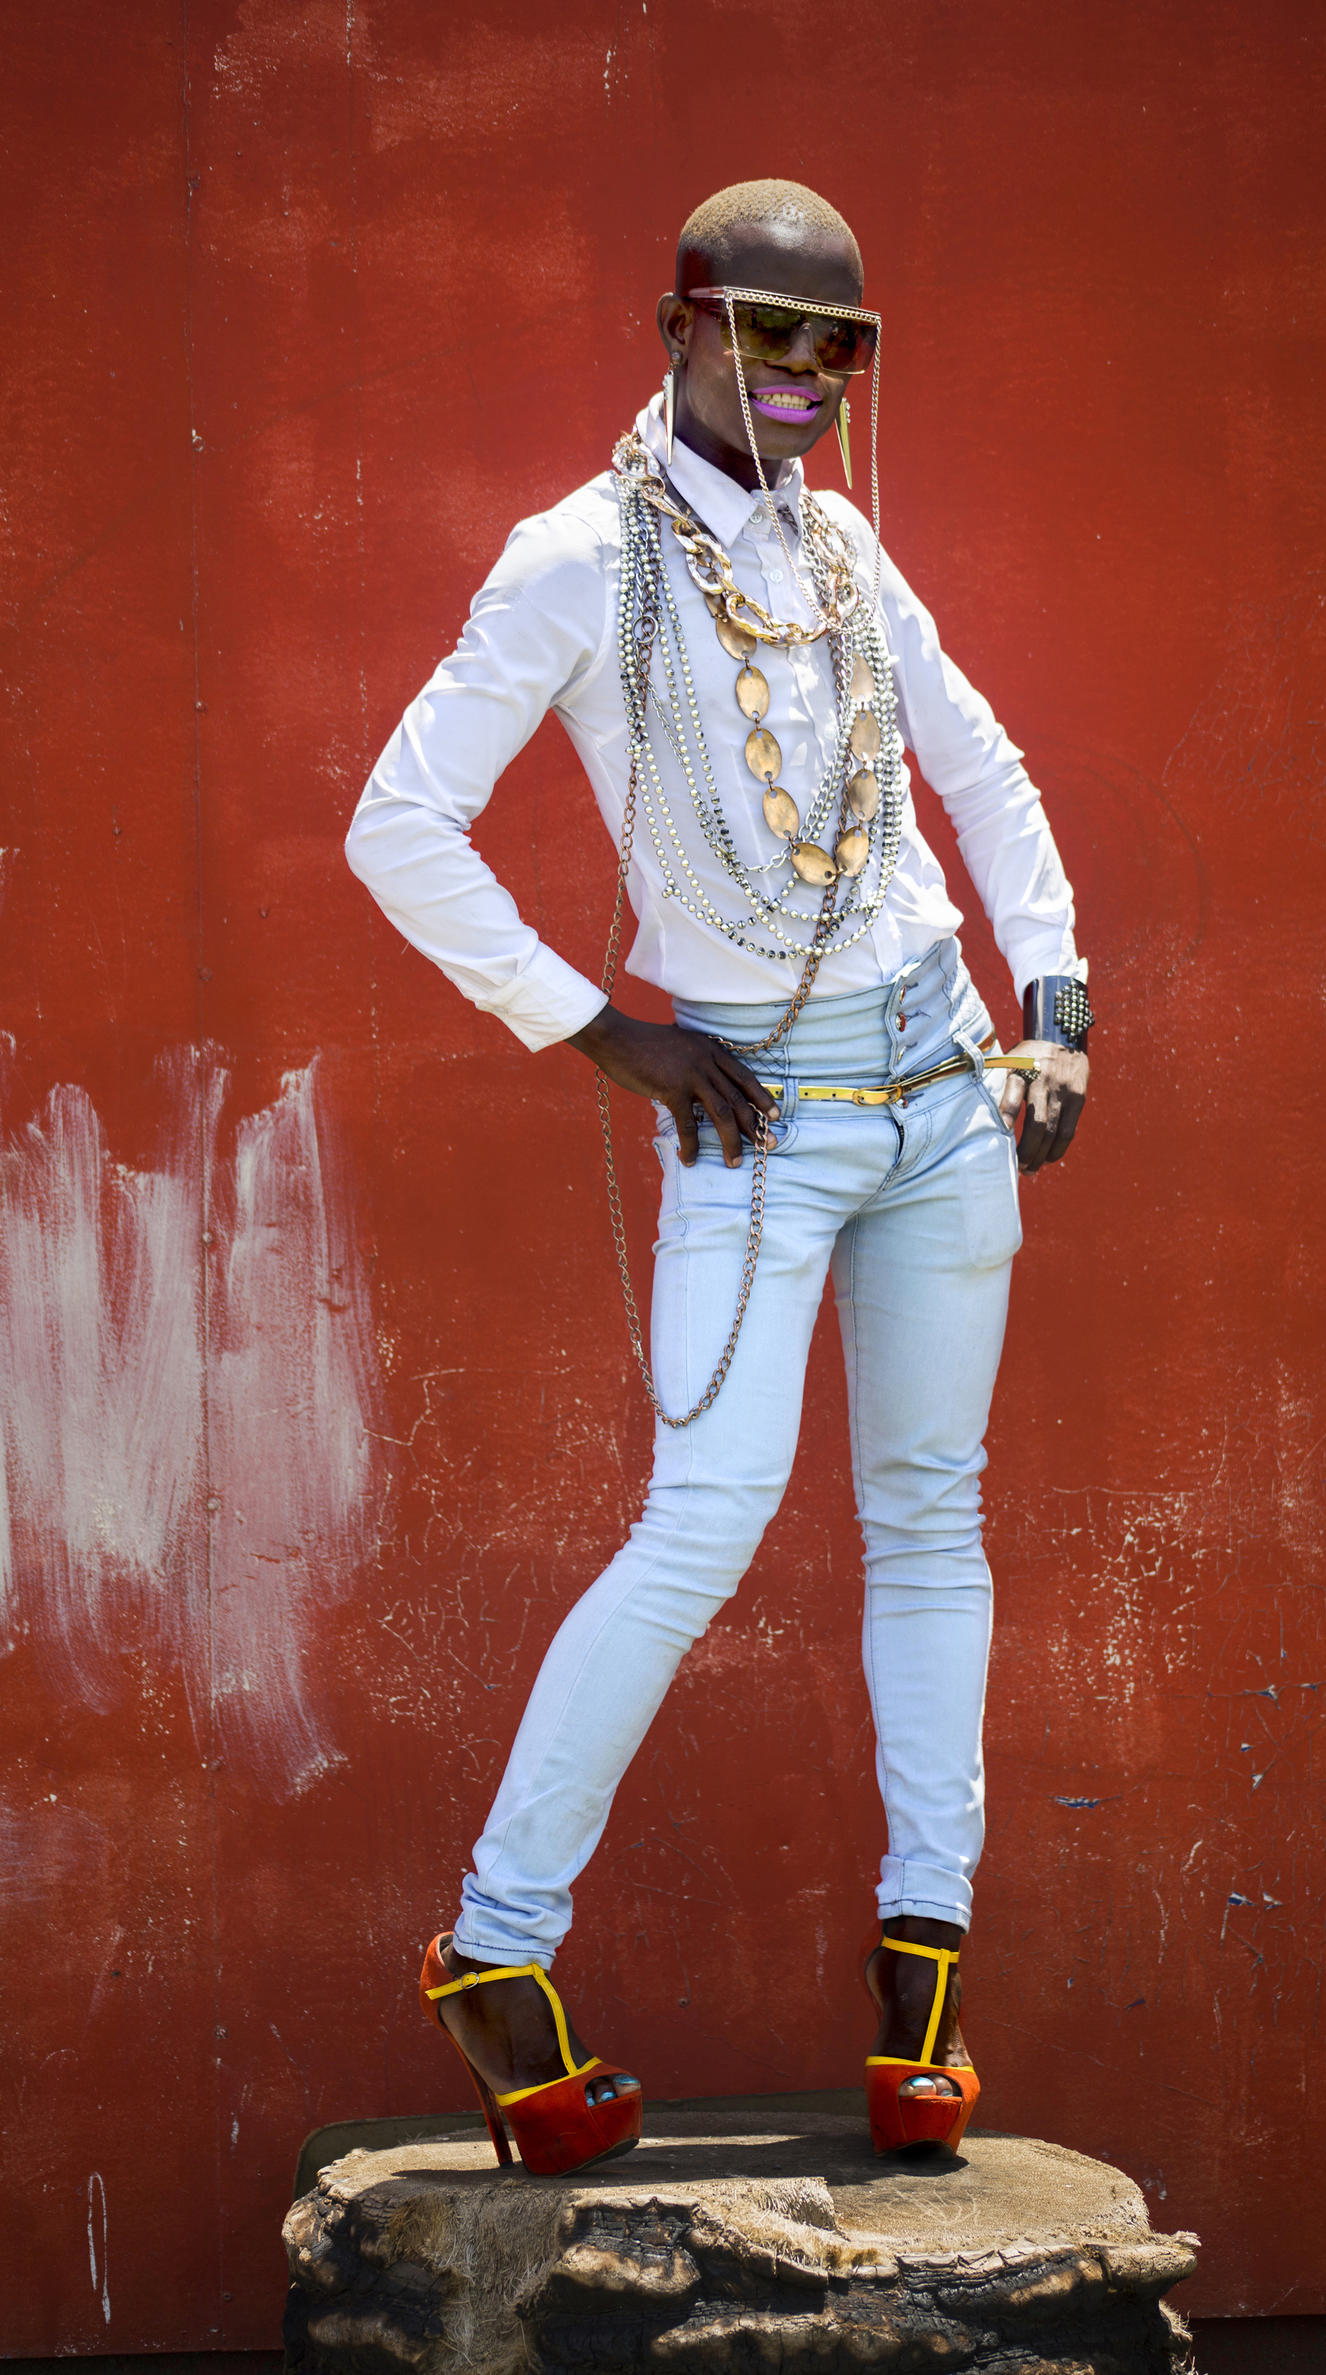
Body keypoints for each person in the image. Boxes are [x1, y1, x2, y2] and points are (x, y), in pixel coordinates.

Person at [345, 177, 1091, 2177]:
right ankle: (497, 1954)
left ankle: (925, 1985)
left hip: (942, 1084)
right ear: (676, 323)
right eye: (774, 335)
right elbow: (397, 823)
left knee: (934, 1522)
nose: (812, 380)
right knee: (703, 1527)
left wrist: (1062, 994)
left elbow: (986, 765)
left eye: (844, 348)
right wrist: (597, 1028)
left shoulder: (844, 550)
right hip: (751, 1111)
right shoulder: (576, 562)